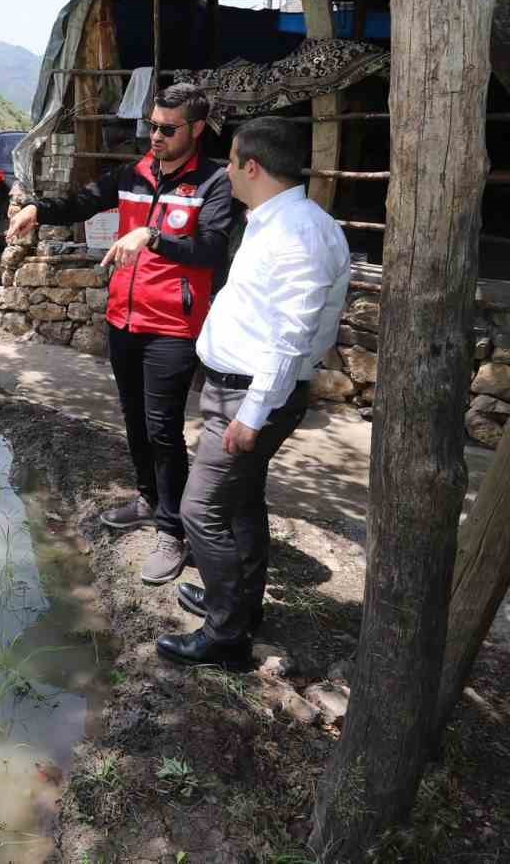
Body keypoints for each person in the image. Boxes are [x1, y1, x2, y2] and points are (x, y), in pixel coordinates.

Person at [5, 84, 233, 586]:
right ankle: (149, 499)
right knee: (133, 418)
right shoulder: (136, 174)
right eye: (152, 125)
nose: (155, 136)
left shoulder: (214, 182)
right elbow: (84, 201)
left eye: (168, 129)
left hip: (173, 325)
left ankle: (173, 531)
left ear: (196, 130)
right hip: (123, 320)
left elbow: (212, 250)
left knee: (163, 427)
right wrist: (38, 209)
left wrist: (153, 236)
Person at [156, 116, 350, 669]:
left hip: (250, 397)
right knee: (240, 504)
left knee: (201, 512)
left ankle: (225, 637)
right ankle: (238, 605)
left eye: (232, 161)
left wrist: (253, 414)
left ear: (253, 166)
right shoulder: (274, 221)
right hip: (236, 390)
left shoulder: (299, 233)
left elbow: (293, 333)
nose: (226, 171)